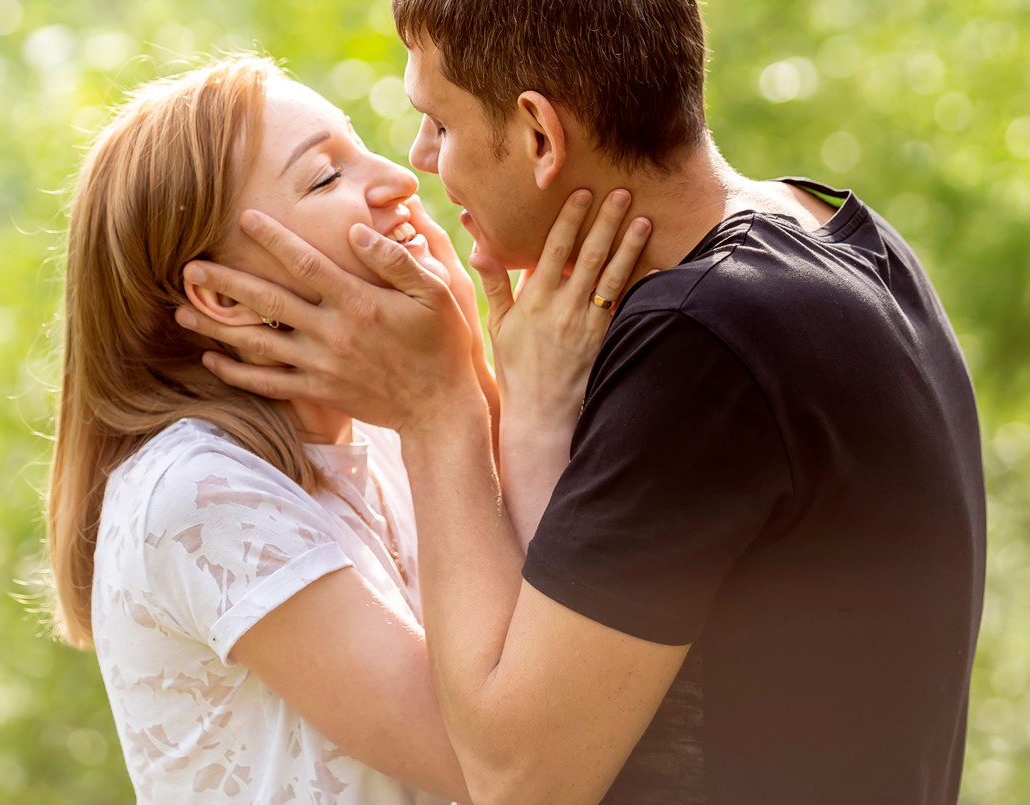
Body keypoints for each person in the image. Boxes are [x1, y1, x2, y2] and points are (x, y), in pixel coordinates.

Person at [181, 0, 989, 804]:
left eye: (437, 121)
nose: (420, 162)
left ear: (538, 134)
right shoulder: (841, 236)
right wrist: (527, 413)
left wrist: (438, 411)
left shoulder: (707, 346)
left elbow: (517, 776)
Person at [44, 53, 649, 804]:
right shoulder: (195, 494)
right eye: (326, 177)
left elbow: (536, 639)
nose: (397, 177)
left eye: (361, 143)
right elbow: (502, 769)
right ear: (224, 297)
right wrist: (479, 405)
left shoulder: (388, 434)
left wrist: (491, 382)